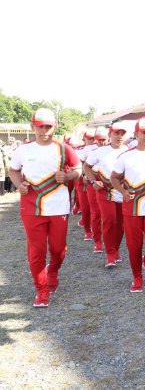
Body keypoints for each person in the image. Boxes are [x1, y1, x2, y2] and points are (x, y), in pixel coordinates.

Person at [8, 108, 81, 307]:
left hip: (58, 207)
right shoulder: (23, 149)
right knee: (36, 250)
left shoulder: (64, 148)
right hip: (32, 207)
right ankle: (41, 290)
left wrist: (68, 176)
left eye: (48, 126)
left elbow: (78, 169)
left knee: (58, 249)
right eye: (40, 127)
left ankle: (54, 272)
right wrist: (18, 185)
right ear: (33, 127)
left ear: (54, 126)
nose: (44, 131)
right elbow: (13, 170)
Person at [110, 118, 145, 293]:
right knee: (134, 245)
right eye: (144, 132)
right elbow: (113, 178)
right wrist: (122, 191)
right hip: (132, 206)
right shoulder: (126, 156)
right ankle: (137, 276)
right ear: (136, 134)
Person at [83, 122, 131, 267]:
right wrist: (93, 181)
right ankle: (110, 254)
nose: (119, 136)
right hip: (106, 192)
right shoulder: (100, 151)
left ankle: (115, 249)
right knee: (109, 221)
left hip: (123, 192)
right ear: (110, 135)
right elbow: (86, 166)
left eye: (122, 133)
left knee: (121, 224)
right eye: (116, 133)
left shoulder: (130, 151)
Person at [84, 127, 108, 253]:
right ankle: (97, 241)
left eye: (104, 139)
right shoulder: (89, 149)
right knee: (95, 213)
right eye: (99, 140)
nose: (101, 142)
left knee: (109, 216)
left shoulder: (112, 150)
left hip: (108, 183)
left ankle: (110, 243)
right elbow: (82, 164)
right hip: (93, 182)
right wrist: (87, 177)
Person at [76, 129, 97, 241]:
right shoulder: (80, 150)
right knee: (85, 208)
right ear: (84, 139)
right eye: (89, 138)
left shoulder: (103, 148)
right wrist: (84, 175)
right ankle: (87, 231)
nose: (91, 141)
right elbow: (77, 165)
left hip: (96, 181)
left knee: (96, 210)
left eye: (93, 138)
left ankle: (96, 231)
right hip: (83, 182)